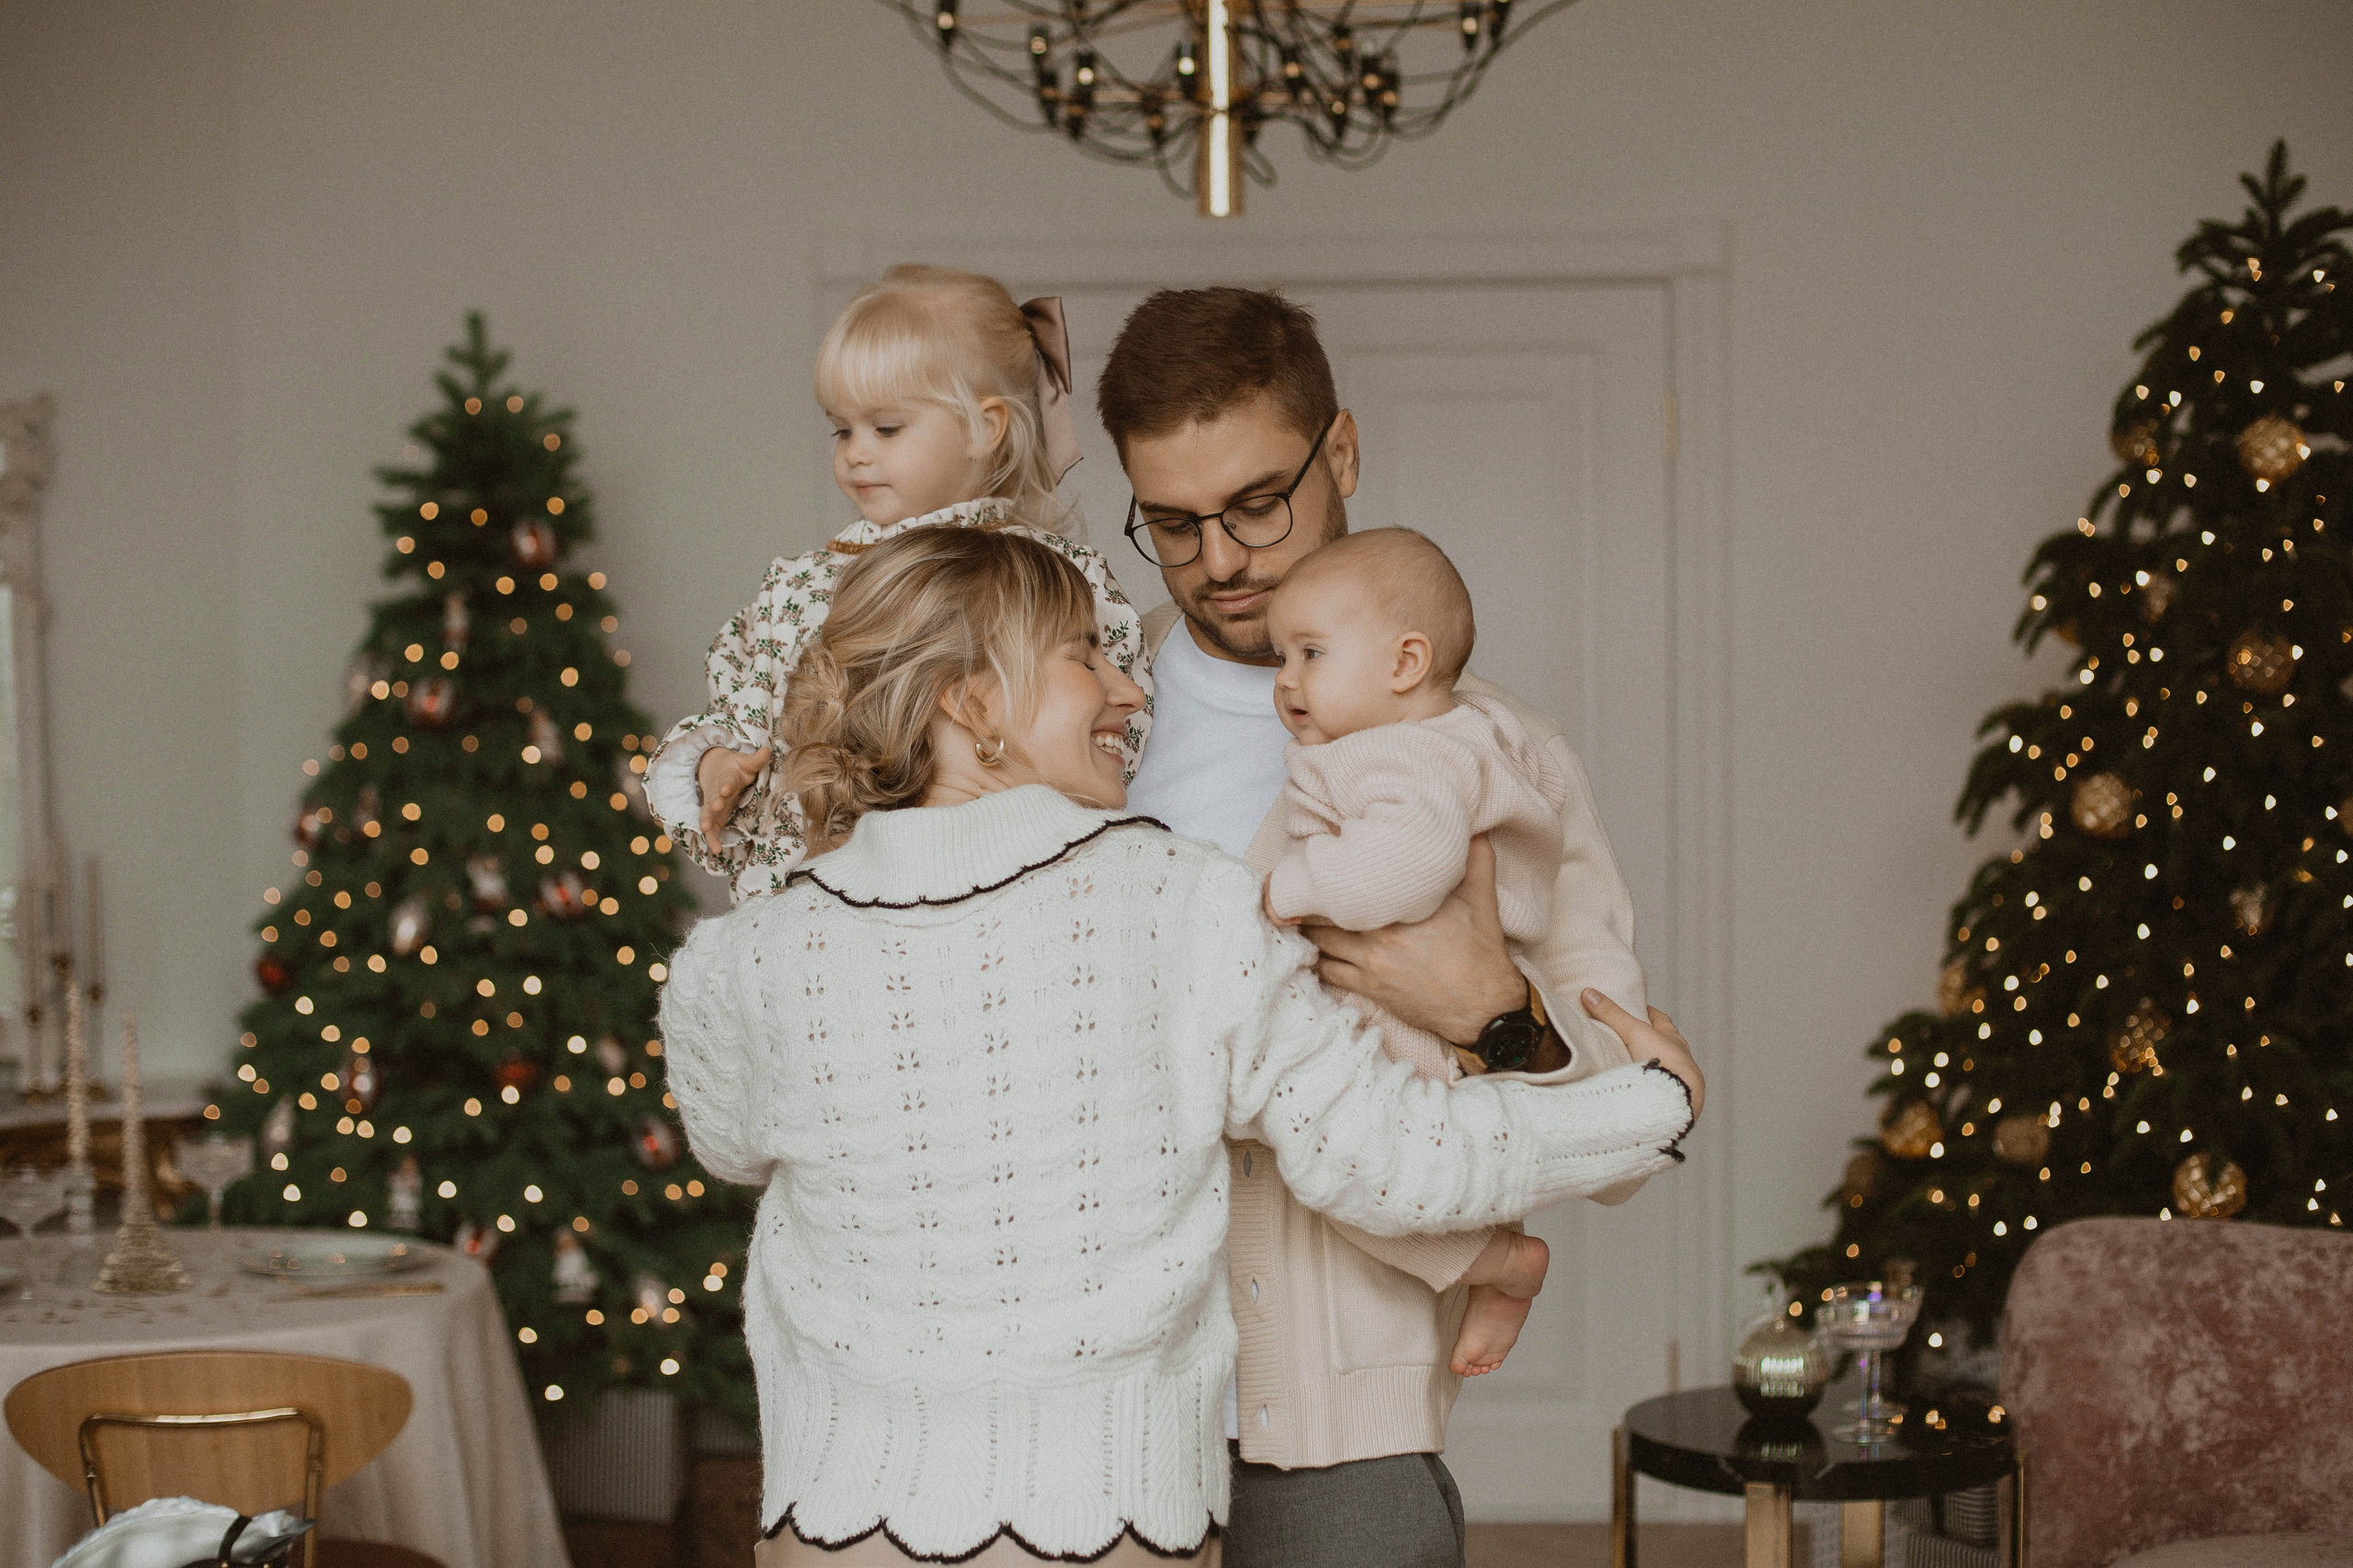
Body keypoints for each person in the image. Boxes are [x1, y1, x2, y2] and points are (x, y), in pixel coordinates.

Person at [657, 526, 1703, 1567]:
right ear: (970, 702)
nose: (1127, 689)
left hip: (835, 1530)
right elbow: (1392, 1155)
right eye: (1084, 656)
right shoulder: (1180, 905)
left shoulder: (748, 955)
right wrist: (1650, 1103)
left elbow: (725, 1140)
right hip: (1109, 1529)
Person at [1098, 286, 1692, 1568]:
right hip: (1084, 1387)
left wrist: (1491, 1012)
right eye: (1173, 520)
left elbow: (1629, 1132)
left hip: (1331, 1406)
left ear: (1344, 453)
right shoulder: (1076, 704)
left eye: (1259, 501)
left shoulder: (1497, 758)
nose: (1222, 557)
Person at [643, 264, 1151, 901]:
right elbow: (739, 714)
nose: (856, 452)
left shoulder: (1053, 578)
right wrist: (718, 769)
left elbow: (1115, 724)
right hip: (814, 911)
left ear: (984, 427)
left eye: (885, 428)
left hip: (997, 889)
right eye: (842, 428)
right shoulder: (800, 587)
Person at [1258, 527, 1563, 1378]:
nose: (1286, 680)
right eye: (1284, 655)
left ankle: (1503, 1266)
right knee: (1368, 1170)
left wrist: (1289, 888)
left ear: (1404, 664)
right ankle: (1496, 1259)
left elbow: (1407, 866)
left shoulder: (1405, 754)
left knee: (1342, 1172)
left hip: (1413, 1003)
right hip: (1411, 995)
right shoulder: (1442, 738)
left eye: (1311, 653)